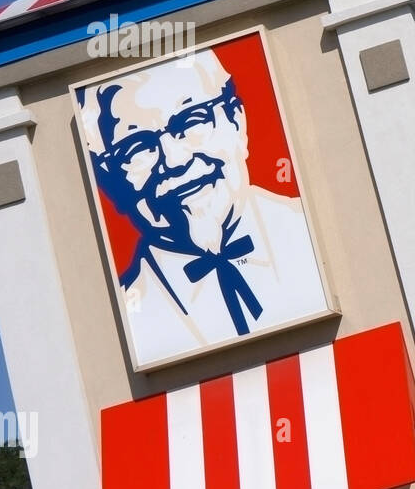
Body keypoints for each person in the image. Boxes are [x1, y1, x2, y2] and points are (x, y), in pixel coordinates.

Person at [78, 48, 327, 366]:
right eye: (136, 147)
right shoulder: (124, 319)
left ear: (237, 123)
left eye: (190, 120)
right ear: (109, 183)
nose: (174, 160)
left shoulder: (315, 234)